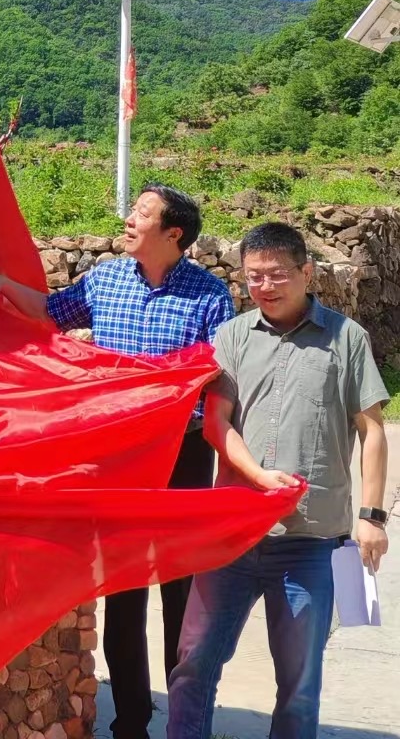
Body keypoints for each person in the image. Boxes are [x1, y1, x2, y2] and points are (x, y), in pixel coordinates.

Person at [0, 184, 234, 739]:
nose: (129, 219)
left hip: (182, 452)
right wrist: (2, 285)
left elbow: (221, 377)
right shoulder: (106, 279)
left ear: (173, 233)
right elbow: (51, 310)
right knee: (124, 587)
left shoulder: (209, 296)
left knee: (180, 588)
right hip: (119, 456)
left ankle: (186, 722)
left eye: (142, 213)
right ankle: (131, 723)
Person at [167, 221, 390, 739]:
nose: (264, 286)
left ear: (306, 272)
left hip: (311, 542)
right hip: (233, 537)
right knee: (192, 664)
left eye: (276, 274)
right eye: (253, 276)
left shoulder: (347, 338)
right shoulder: (232, 336)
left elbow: (373, 430)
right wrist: (257, 477)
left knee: (299, 685)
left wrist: (372, 517)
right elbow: (217, 424)